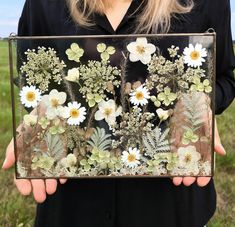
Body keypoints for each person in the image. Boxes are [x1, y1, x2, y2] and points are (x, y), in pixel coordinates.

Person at [2, 0, 235, 226]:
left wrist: (197, 102)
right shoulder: (43, 4)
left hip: (170, 204)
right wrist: (44, 112)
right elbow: (29, 75)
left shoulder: (208, 3)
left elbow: (224, 78)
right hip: (73, 204)